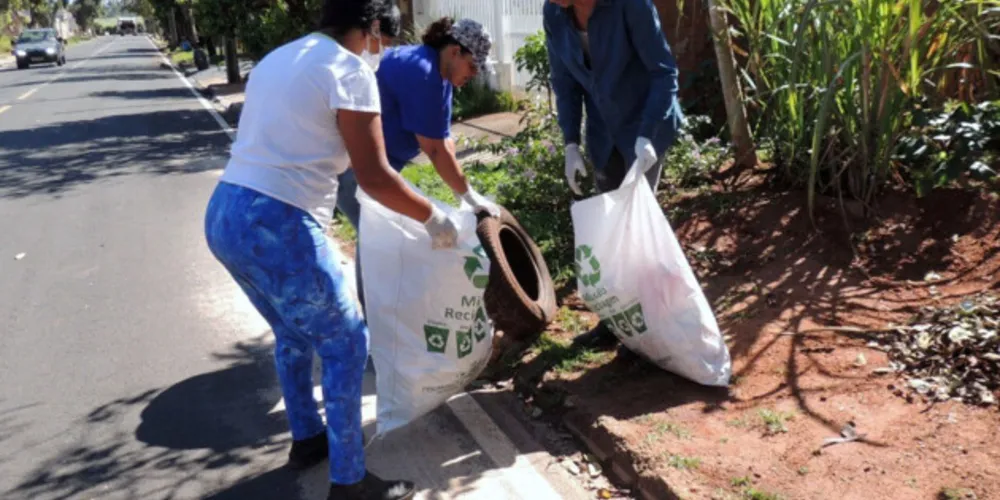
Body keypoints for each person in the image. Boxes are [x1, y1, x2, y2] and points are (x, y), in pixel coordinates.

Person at [203, 0, 453, 498]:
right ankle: (350, 482)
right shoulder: (348, 70)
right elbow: (376, 176)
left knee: (293, 333)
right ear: (373, 26)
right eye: (386, 34)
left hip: (224, 214)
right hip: (278, 223)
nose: (384, 47)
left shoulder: (280, 57)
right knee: (346, 342)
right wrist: (433, 216)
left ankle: (308, 439)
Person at [544, 0, 684, 349]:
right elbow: (564, 83)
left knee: (637, 228)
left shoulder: (630, 6)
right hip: (604, 135)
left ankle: (653, 326)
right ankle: (617, 324)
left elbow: (663, 72)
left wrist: (649, 134)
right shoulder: (554, 13)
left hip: (645, 129)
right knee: (610, 232)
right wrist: (571, 144)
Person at [335, 16, 499, 307]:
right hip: (356, 170)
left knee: (386, 242)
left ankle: (389, 318)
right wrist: (469, 196)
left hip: (381, 167)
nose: (474, 74)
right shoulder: (422, 73)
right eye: (473, 66)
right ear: (455, 51)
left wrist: (466, 193)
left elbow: (443, 138)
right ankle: (378, 326)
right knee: (379, 245)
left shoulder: (440, 74)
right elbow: (435, 151)